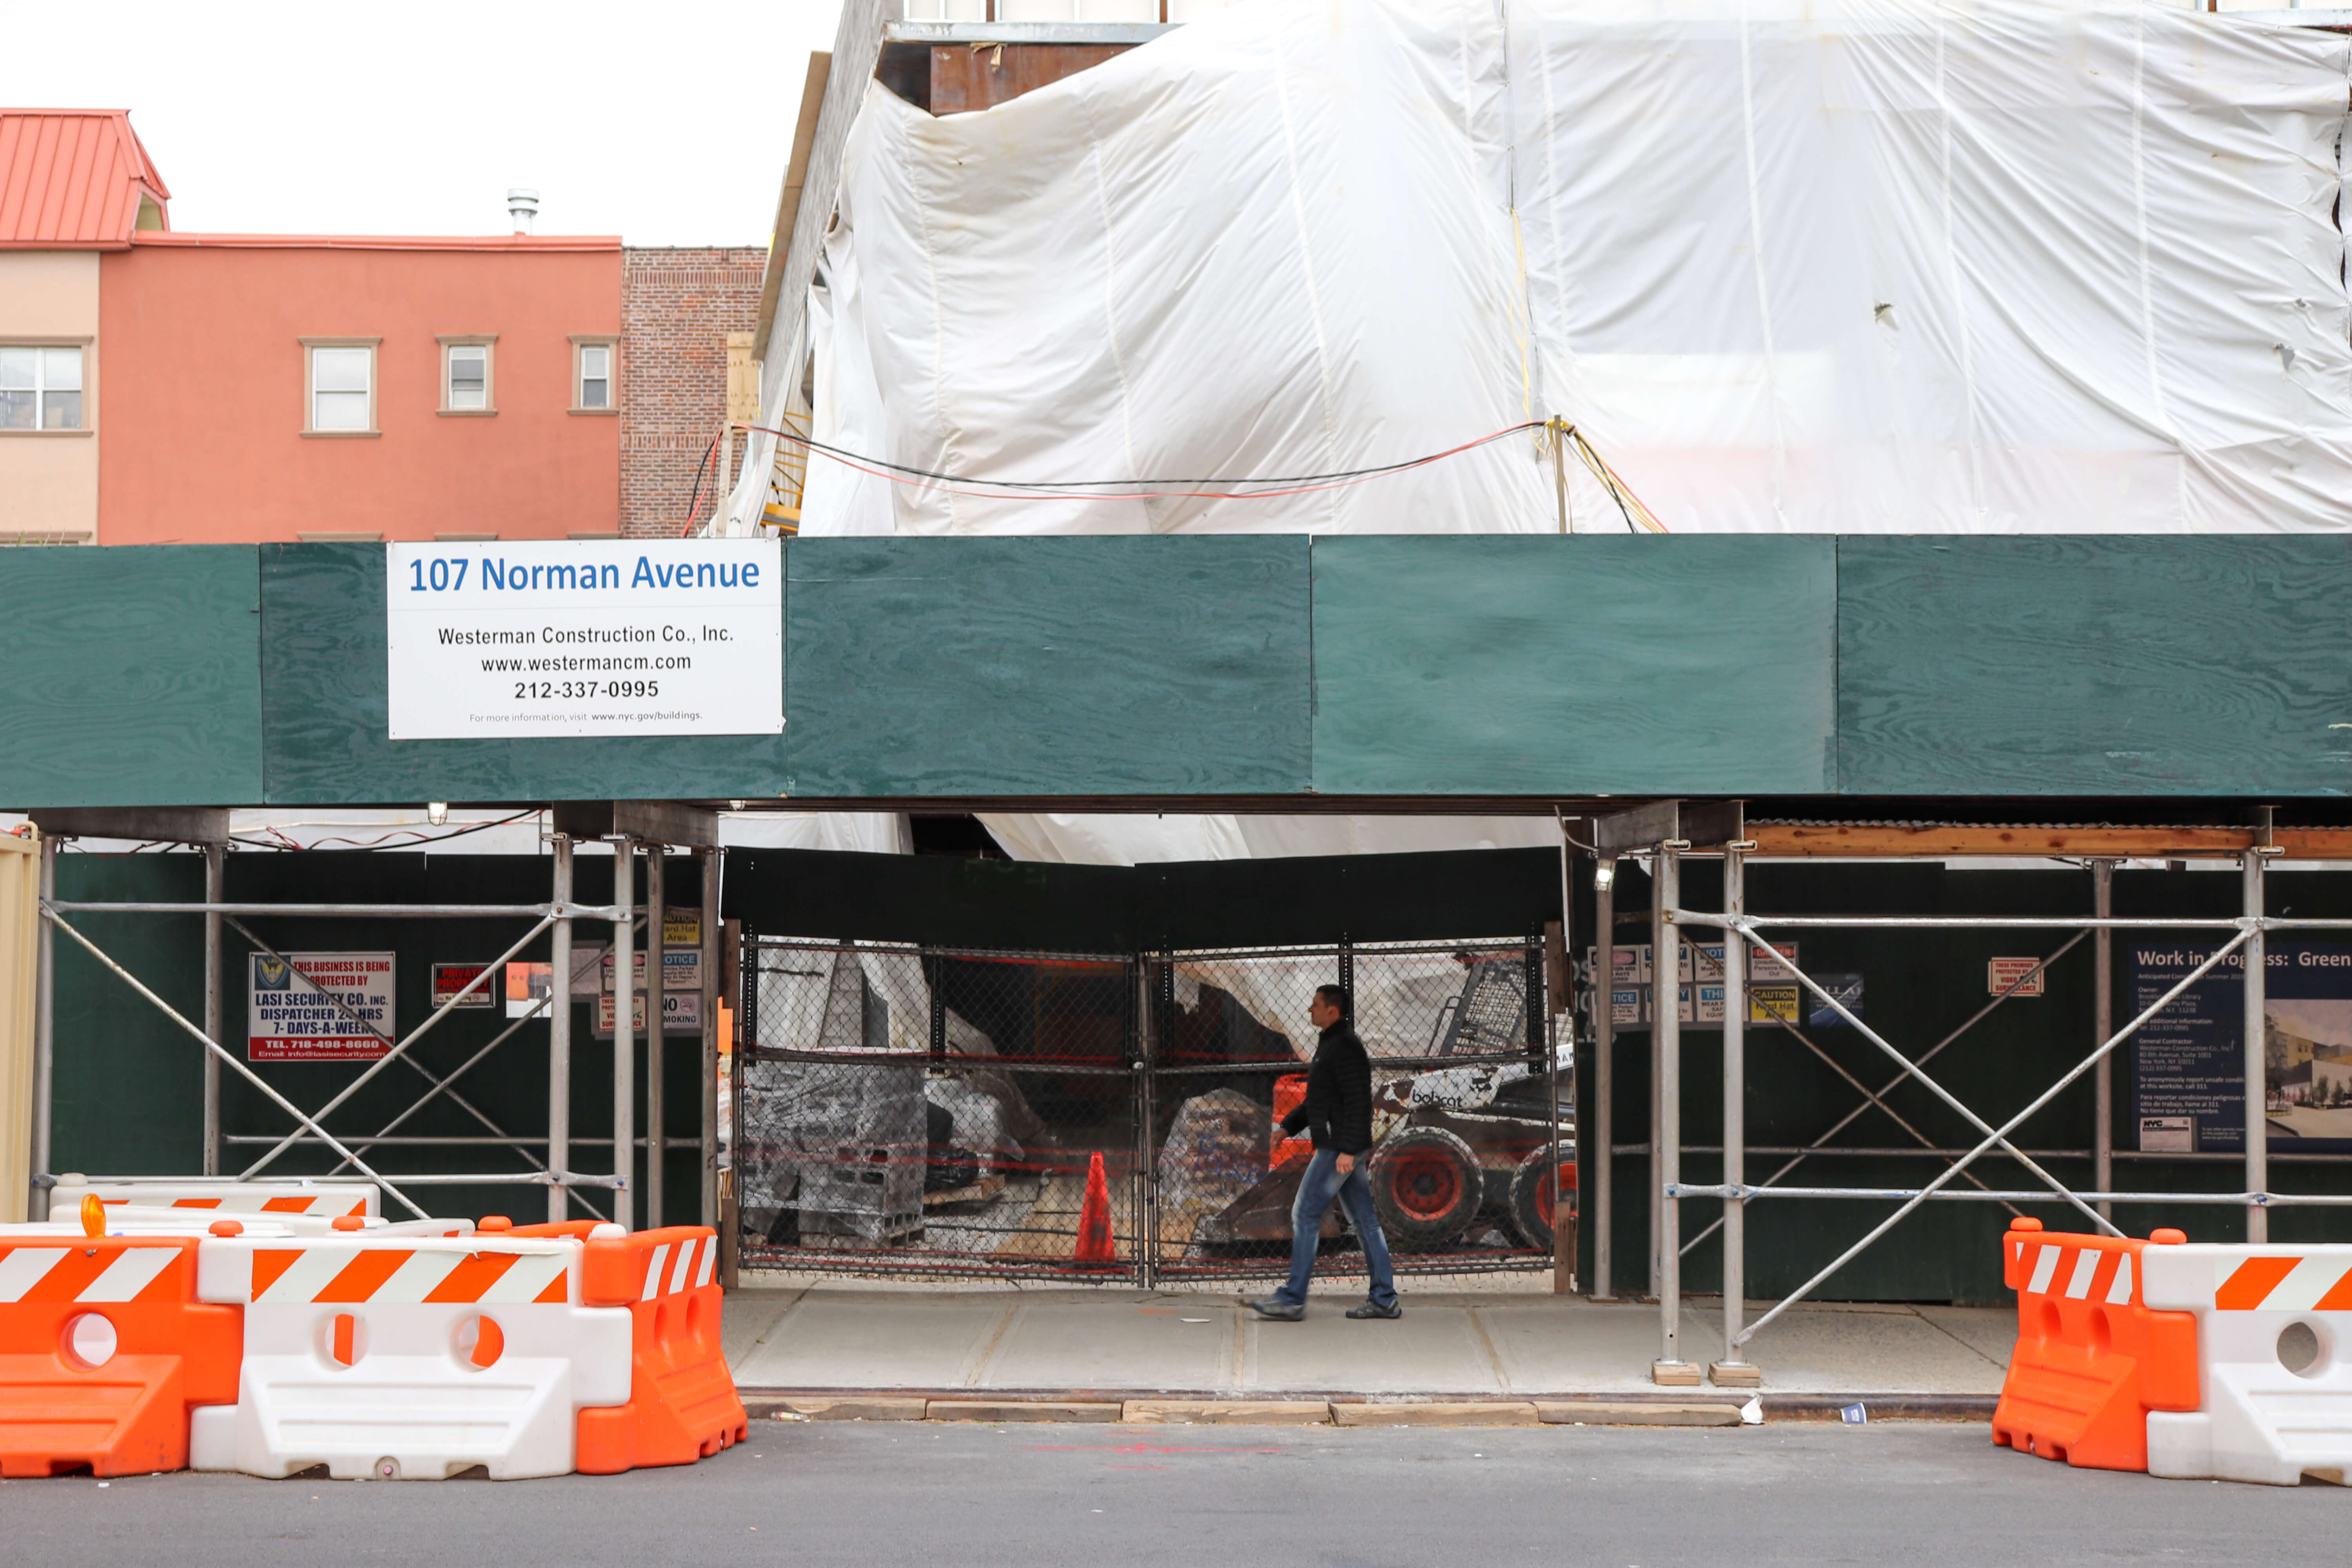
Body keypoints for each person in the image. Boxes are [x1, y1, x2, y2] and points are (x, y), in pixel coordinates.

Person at [1247, 983, 1401, 1321]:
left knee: (1305, 1213)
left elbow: (1359, 1100)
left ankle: (1292, 1298)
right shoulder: (1332, 1045)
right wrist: (1288, 1127)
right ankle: (1384, 1298)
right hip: (1343, 1147)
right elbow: (1320, 1100)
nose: (1310, 1010)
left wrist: (1347, 1150)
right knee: (1365, 1221)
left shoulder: (1343, 1047)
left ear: (1333, 1010)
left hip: (1338, 1149)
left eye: (1316, 1005)